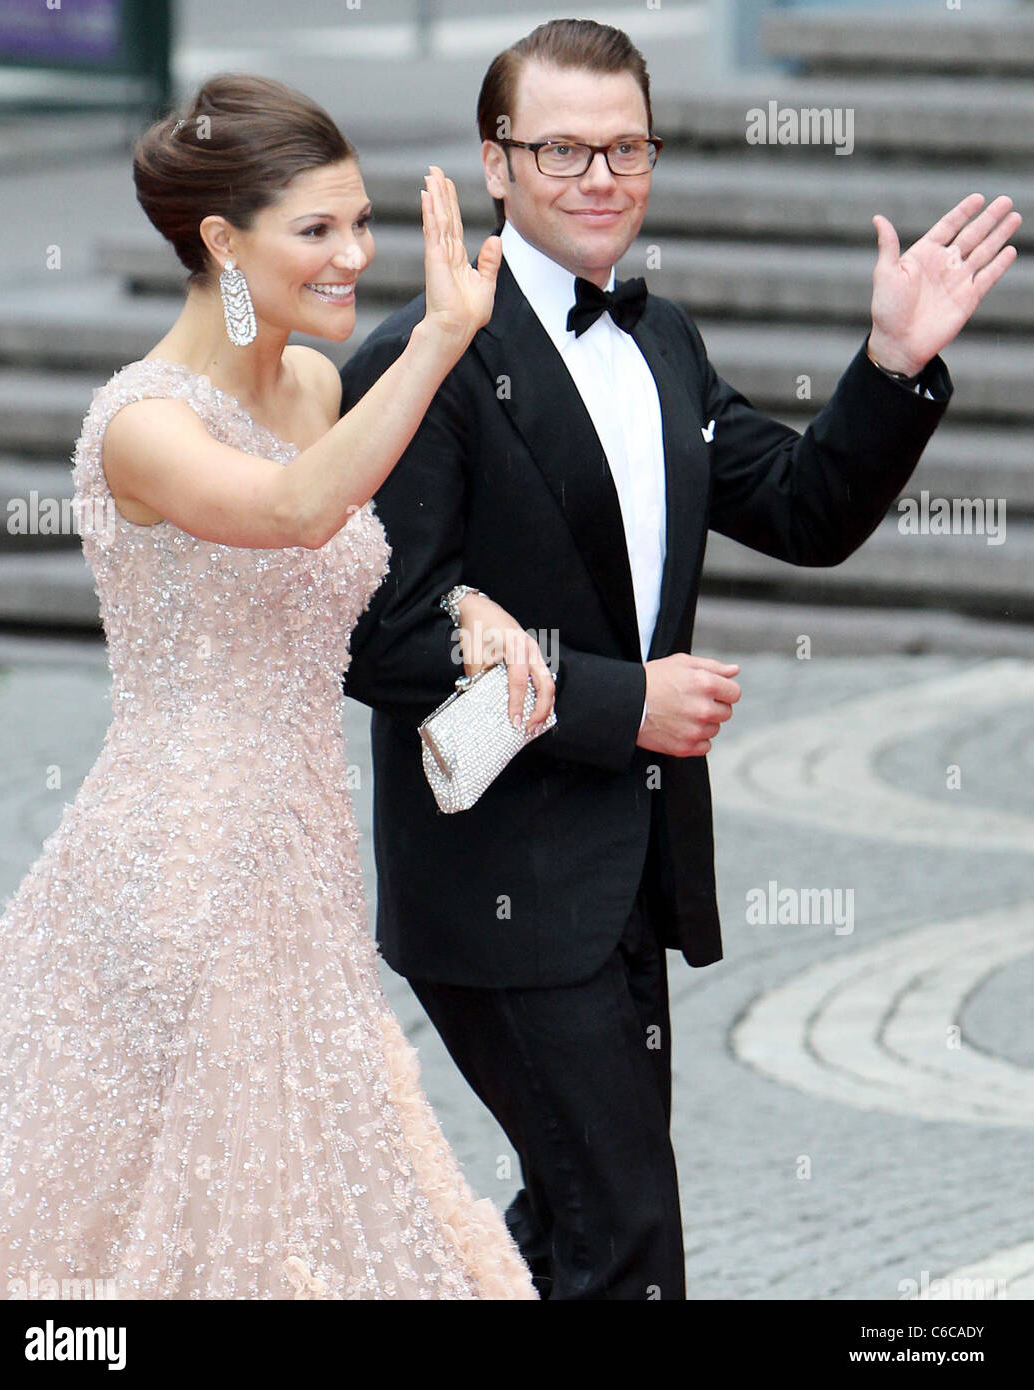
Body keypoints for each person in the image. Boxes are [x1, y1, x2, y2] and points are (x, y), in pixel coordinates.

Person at [340, 18, 1021, 1300]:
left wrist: (892, 364)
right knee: (629, 1236)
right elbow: (383, 635)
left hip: (629, 872)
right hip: (501, 883)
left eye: (626, 148)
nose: (600, 176)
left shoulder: (664, 345)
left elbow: (809, 511)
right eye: (561, 149)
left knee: (578, 1215)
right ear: (497, 163)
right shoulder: (423, 360)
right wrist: (624, 702)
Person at [0, 72, 552, 1300]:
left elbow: (337, 582)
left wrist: (465, 609)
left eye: (361, 222)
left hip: (303, 857)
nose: (355, 254)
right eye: (319, 229)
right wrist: (447, 335)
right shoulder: (139, 424)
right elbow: (295, 513)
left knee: (283, 1204)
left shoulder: (310, 389)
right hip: (187, 867)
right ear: (225, 243)